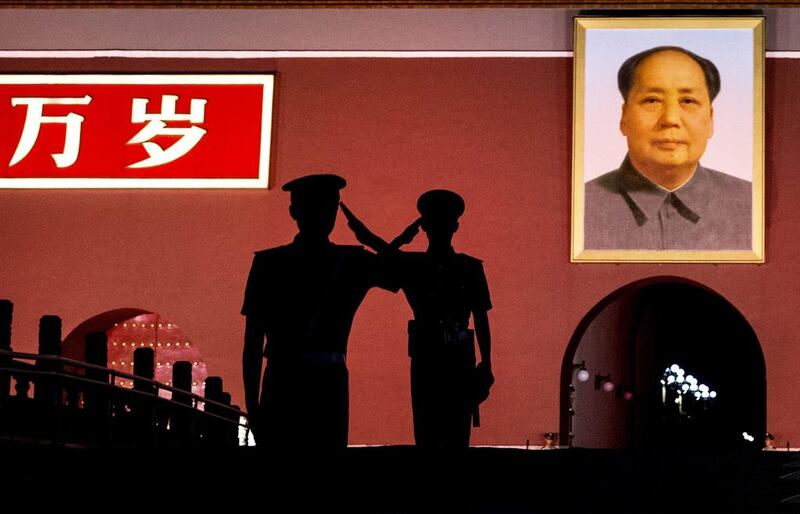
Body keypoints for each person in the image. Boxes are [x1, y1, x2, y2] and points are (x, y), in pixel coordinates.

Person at [241, 173, 395, 449]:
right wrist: (370, 238)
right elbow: (405, 275)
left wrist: (253, 409)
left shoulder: (269, 263)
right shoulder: (353, 262)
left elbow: (253, 344)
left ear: (293, 211)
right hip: (328, 381)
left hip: (282, 381)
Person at [342, 190, 494, 449]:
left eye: (444, 223)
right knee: (427, 431)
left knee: (456, 435)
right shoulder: (419, 265)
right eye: (435, 223)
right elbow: (370, 242)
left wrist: (487, 363)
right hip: (429, 358)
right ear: (425, 227)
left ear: (454, 226)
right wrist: (402, 238)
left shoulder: (467, 267)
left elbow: (481, 318)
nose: (440, 229)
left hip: (456, 359)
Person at [584, 46, 751, 251]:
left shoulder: (752, 205)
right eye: (652, 100)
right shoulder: (581, 206)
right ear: (624, 117)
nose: (670, 119)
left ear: (710, 119)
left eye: (688, 101)